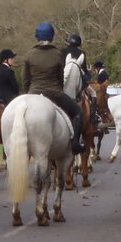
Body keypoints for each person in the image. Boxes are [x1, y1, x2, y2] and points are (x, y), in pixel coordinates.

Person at [22, 21, 84, 154]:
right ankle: (75, 144)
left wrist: (27, 93)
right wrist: (59, 90)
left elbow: (26, 79)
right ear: (51, 37)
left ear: (37, 37)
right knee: (78, 112)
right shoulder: (57, 54)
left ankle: (10, 147)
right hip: (54, 92)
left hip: (33, 92)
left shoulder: (29, 54)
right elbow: (60, 77)